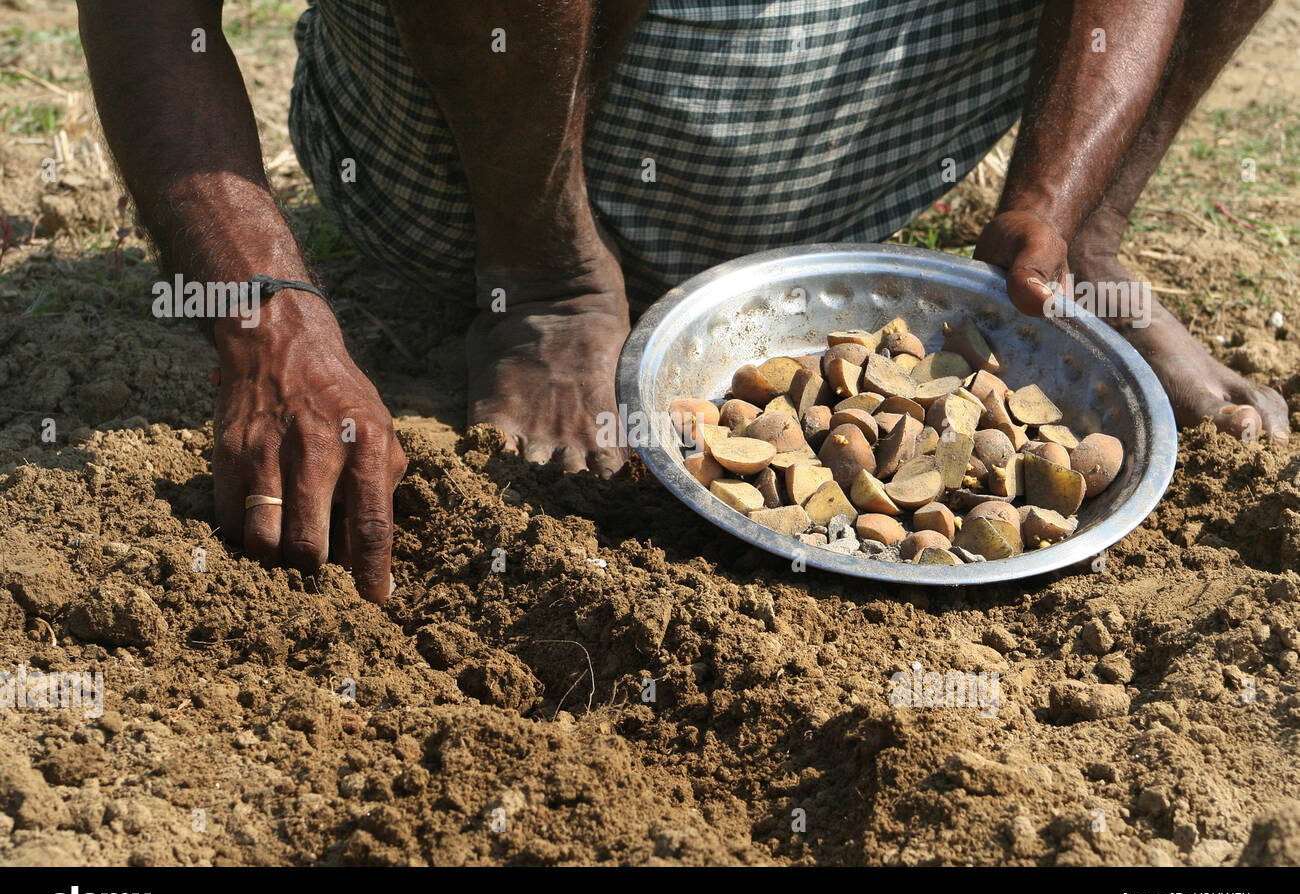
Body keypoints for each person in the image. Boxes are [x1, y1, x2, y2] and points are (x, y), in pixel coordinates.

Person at [77, 0, 1290, 603]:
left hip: (864, 119)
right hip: (477, 125)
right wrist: (267, 310)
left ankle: (1085, 247)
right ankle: (545, 267)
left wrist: (1054, 199)